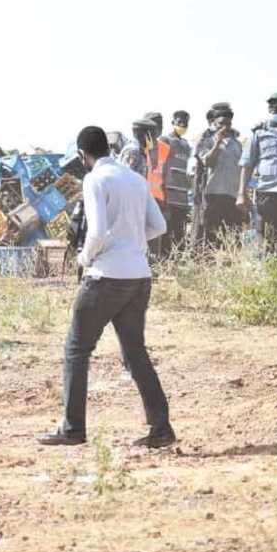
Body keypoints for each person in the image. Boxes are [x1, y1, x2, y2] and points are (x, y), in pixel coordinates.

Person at [38, 126, 174, 448]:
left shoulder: (94, 179)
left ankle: (73, 429)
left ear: (83, 154)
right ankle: (161, 428)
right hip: (138, 277)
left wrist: (85, 258)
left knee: (76, 349)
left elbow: (96, 231)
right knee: (135, 353)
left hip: (105, 277)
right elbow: (159, 226)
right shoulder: (135, 180)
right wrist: (130, 243)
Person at [239, 92, 277, 244]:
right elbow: (247, 164)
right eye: (271, 105)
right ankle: (270, 264)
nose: (274, 108)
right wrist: (241, 193)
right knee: (268, 233)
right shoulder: (259, 131)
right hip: (267, 192)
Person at [196, 105, 244, 247]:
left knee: (232, 237)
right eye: (221, 123)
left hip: (233, 196)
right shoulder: (207, 140)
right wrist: (217, 143)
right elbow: (207, 162)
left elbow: (242, 169)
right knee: (211, 236)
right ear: (214, 124)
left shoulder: (237, 144)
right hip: (213, 195)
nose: (225, 127)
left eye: (228, 123)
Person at [161, 110, 192, 254]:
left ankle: (176, 263)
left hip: (182, 196)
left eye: (185, 123)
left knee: (180, 233)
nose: (182, 125)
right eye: (179, 123)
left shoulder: (186, 145)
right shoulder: (165, 140)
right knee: (166, 232)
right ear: (173, 123)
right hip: (168, 195)